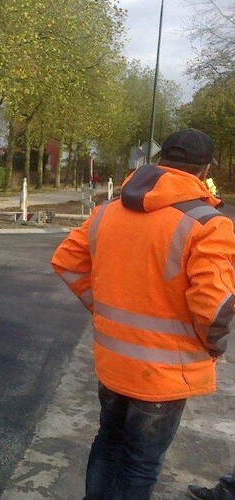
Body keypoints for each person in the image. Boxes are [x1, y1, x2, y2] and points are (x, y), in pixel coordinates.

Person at [51, 128, 235, 499]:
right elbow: (215, 307)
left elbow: (67, 261)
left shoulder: (108, 212)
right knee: (140, 462)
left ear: (160, 162)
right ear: (205, 170)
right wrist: (211, 346)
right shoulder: (209, 225)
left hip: (114, 362)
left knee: (109, 441)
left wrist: (100, 307)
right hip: (164, 374)